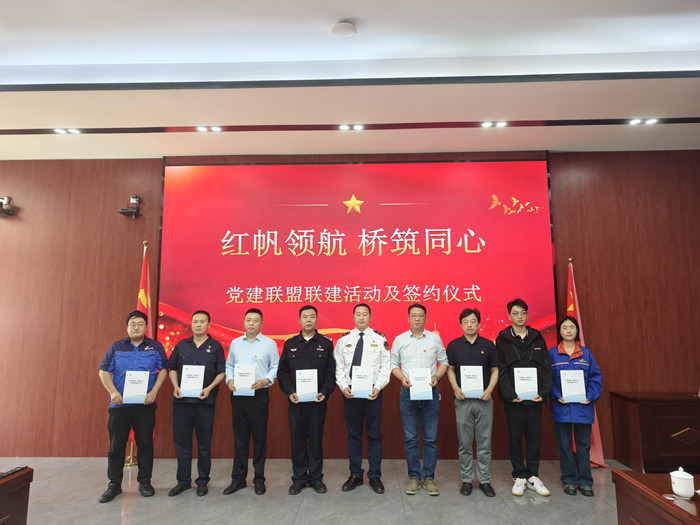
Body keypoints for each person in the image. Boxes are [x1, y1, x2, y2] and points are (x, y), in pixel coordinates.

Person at [97, 310, 168, 503]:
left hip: (145, 405)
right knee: (116, 446)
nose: (136, 327)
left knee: (145, 445)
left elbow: (164, 370)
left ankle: (145, 482)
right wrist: (113, 392)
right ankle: (114, 484)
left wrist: (154, 391)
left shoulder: (155, 347)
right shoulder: (117, 347)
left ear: (146, 327)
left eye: (140, 324)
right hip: (120, 406)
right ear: (127, 327)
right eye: (132, 324)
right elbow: (103, 371)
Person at [166, 310, 226, 497]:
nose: (198, 325)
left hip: (204, 403)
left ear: (209, 325)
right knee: (182, 443)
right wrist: (175, 386)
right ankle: (183, 481)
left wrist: (209, 388)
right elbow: (171, 368)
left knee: (204, 444)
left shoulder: (215, 346)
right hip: (182, 403)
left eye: (202, 322)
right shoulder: (181, 345)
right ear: (191, 324)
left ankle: (202, 481)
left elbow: (221, 372)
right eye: (195, 321)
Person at [496, 298, 552, 497]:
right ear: (509, 316)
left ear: (527, 315)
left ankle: (533, 475)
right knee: (515, 437)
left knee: (534, 437)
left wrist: (543, 393)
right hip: (514, 400)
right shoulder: (502, 339)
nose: (519, 316)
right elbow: (501, 369)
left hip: (535, 398)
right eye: (515, 313)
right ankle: (519, 475)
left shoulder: (537, 337)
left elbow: (546, 367)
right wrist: (510, 395)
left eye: (523, 313)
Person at [277, 305, 336, 495]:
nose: (308, 320)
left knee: (316, 441)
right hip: (296, 402)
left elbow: (331, 372)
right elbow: (283, 372)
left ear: (317, 320)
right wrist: (289, 392)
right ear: (299, 320)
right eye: (305, 317)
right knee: (298, 441)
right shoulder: (290, 344)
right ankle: (299, 479)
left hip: (318, 403)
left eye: (312, 317)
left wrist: (325, 392)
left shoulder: (326, 343)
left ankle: (316, 478)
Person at [390, 303, 448, 496]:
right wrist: (402, 378)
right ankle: (414, 477)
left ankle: (429, 478)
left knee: (430, 438)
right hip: (408, 394)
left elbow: (444, 362)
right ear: (408, 318)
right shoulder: (399, 339)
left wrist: (437, 377)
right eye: (413, 315)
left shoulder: (434, 339)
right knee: (411, 438)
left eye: (420, 315)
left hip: (431, 393)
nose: (417, 319)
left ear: (426, 318)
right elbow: (393, 364)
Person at [334, 303, 391, 494]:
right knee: (354, 435)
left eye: (364, 314)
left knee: (374, 435)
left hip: (373, 393)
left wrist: (378, 387)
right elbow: (338, 367)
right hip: (351, 394)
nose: (361, 317)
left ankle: (375, 476)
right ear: (353, 317)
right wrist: (343, 387)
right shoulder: (344, 340)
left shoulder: (379, 338)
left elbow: (386, 366)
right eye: (358, 314)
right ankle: (355, 475)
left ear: (370, 317)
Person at [224, 308, 279, 496]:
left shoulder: (269, 343)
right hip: (238, 395)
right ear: (243, 322)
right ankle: (238, 479)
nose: (251, 323)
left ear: (262, 324)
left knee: (259, 438)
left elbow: (276, 366)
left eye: (256, 320)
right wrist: (229, 380)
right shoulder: (235, 343)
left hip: (259, 395)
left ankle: (259, 480)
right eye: (248, 319)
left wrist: (266, 380)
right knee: (240, 439)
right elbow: (229, 365)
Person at [446, 308, 499, 498]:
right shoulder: (453, 346)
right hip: (462, 401)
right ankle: (467, 480)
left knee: (484, 442)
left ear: (479, 324)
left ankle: (484, 480)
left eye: (473, 321)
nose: (469, 325)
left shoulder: (488, 345)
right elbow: (450, 369)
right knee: (465, 443)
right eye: (466, 322)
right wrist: (455, 388)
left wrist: (489, 390)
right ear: (461, 324)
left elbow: (495, 370)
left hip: (484, 400)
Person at [549, 316, 603, 497]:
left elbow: (595, 379)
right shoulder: (552, 354)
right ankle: (569, 480)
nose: (568, 330)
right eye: (564, 327)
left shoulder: (586, 354)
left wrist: (590, 396)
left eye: (572, 327)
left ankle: (586, 481)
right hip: (562, 408)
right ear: (560, 331)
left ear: (577, 330)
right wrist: (558, 396)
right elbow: (549, 380)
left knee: (583, 446)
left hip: (583, 408)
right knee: (564, 446)